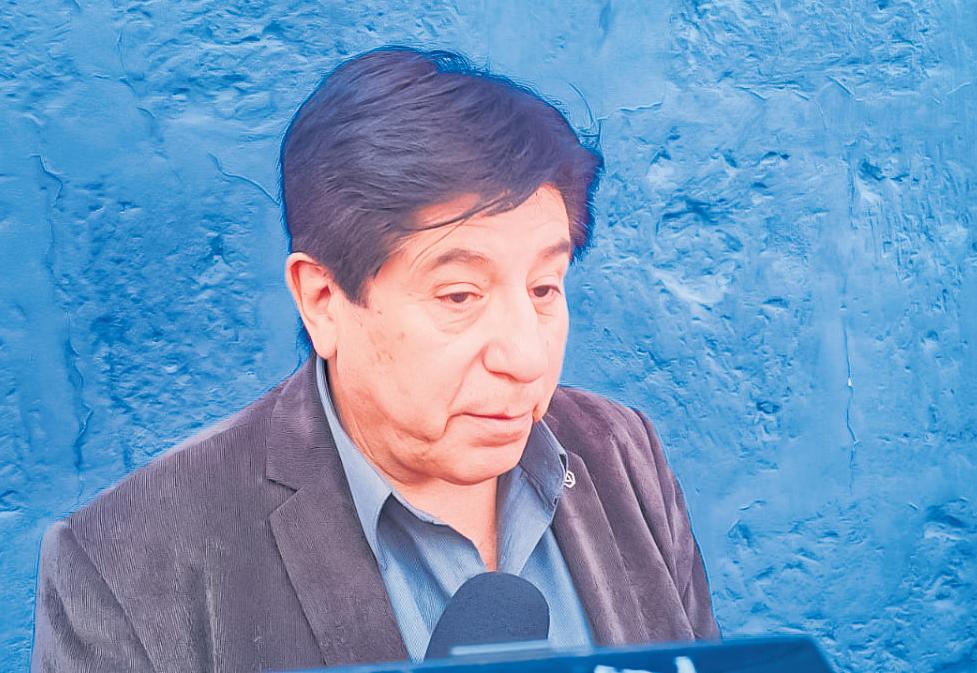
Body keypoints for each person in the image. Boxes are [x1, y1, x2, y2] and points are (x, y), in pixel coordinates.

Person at [31, 46, 719, 673]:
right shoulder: (129, 561)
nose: (524, 355)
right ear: (323, 299)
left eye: (543, 288)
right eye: (459, 295)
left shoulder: (621, 453)